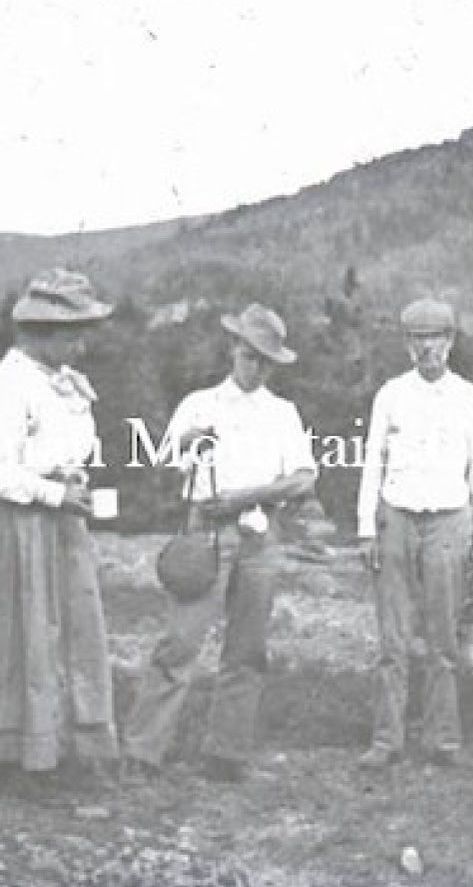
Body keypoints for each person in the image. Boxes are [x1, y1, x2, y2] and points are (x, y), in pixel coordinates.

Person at [120, 303, 317, 783]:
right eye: (250, 356)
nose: (257, 367)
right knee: (181, 641)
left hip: (259, 533)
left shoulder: (283, 413)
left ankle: (226, 754)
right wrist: (189, 440)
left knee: (247, 649)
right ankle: (142, 752)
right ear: (234, 350)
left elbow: (304, 477)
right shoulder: (199, 404)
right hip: (205, 532)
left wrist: (252, 494)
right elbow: (165, 460)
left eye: (266, 360)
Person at [0, 268, 118, 778]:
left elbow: (62, 448)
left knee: (68, 627)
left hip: (59, 519)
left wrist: (74, 484)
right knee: (21, 633)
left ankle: (62, 744)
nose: (82, 344)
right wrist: (53, 492)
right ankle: (12, 755)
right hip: (16, 522)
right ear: (42, 333)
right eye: (73, 333)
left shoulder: (60, 381)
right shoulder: (11, 383)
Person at [356, 297, 473, 768]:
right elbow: (372, 461)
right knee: (392, 636)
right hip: (396, 517)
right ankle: (386, 739)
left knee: (444, 637)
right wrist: (366, 530)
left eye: (435, 338)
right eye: (417, 339)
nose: (427, 348)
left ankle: (443, 738)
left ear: (451, 341)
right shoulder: (391, 395)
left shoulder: (468, 397)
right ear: (406, 344)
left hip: (449, 520)